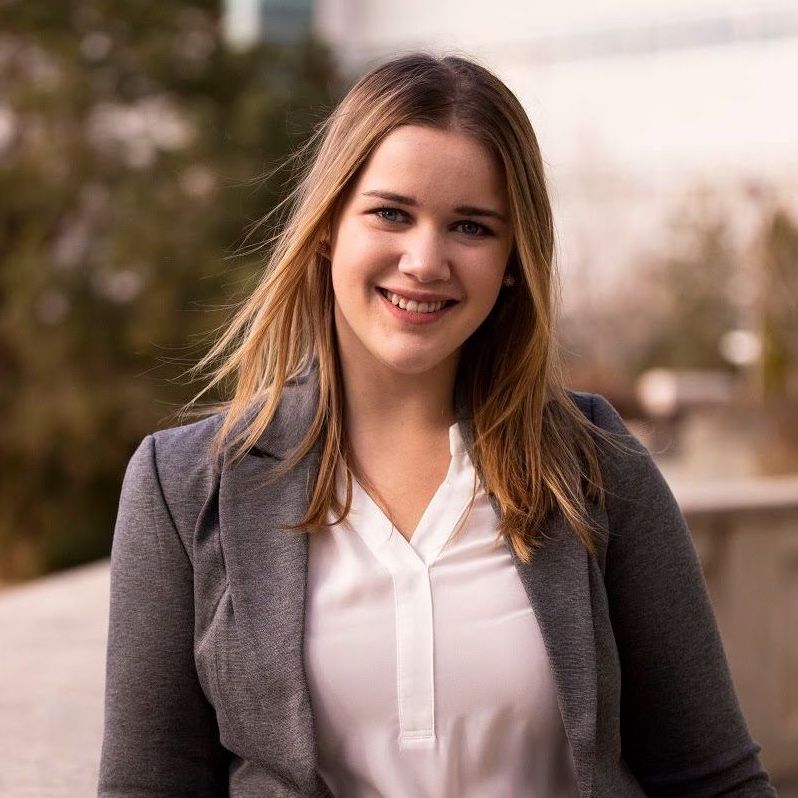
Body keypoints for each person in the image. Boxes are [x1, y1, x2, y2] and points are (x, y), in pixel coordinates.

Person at [98, 53, 777, 798]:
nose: (425, 260)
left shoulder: (594, 465)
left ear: (512, 261)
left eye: (471, 227)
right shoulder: (183, 485)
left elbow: (714, 780)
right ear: (327, 226)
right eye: (391, 213)